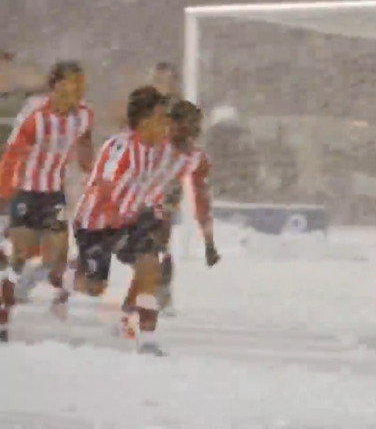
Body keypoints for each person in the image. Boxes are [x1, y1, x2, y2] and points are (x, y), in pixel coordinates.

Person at [58, 86, 170, 355]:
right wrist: (113, 222)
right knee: (96, 288)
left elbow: (153, 185)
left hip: (130, 222)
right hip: (96, 225)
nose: (166, 123)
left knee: (150, 266)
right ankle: (70, 274)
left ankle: (144, 335)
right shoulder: (121, 146)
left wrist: (156, 212)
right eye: (161, 117)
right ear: (144, 122)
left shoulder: (160, 149)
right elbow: (106, 186)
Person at [0, 61, 94, 343]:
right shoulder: (34, 117)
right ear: (56, 85)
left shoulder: (85, 115)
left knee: (57, 257)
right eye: (72, 82)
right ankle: (4, 316)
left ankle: (47, 299)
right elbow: (12, 154)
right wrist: (4, 195)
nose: (78, 88)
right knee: (21, 254)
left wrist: (91, 170)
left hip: (54, 194)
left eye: (81, 82)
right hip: (25, 192)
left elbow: (85, 142)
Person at [117, 99, 219, 334]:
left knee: (154, 261)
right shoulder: (150, 144)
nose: (186, 134)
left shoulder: (196, 158)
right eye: (180, 126)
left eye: (192, 129)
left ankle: (133, 315)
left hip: (154, 214)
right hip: (124, 210)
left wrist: (208, 239)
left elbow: (201, 197)